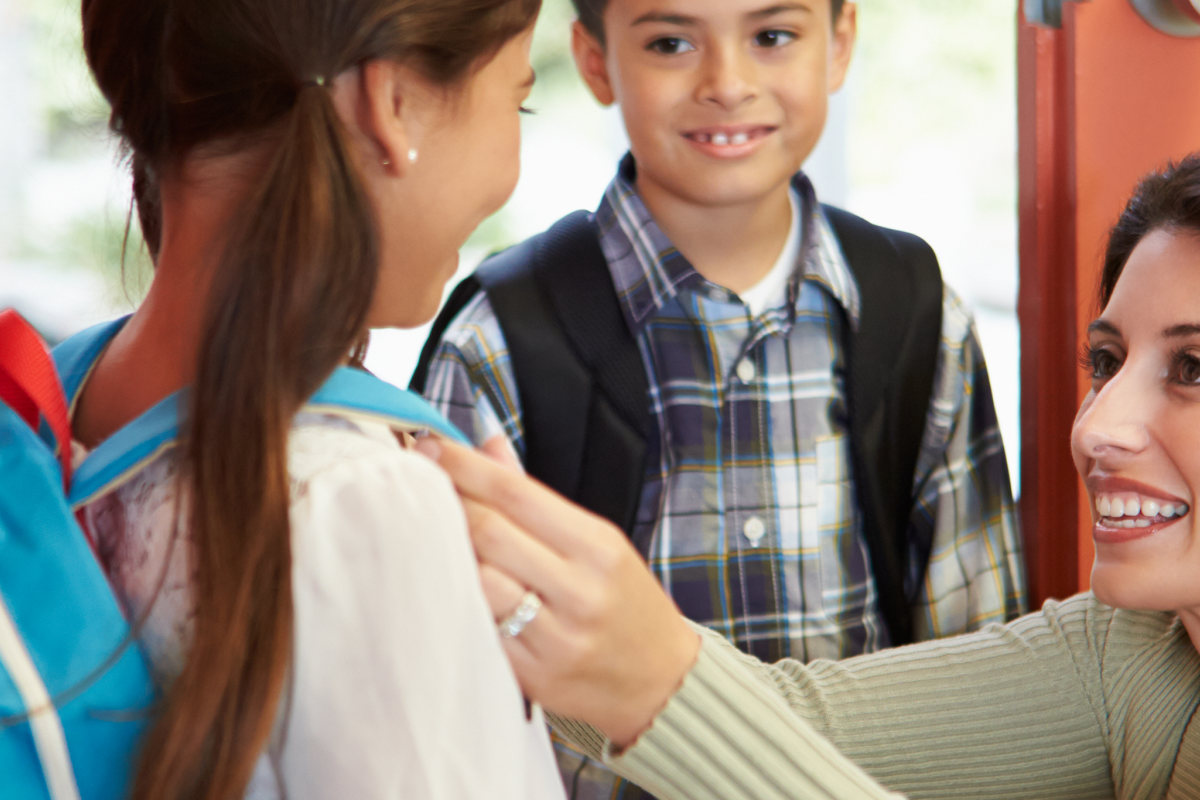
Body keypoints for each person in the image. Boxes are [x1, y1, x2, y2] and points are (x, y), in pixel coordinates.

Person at [416, 155, 1200, 800]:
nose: (1095, 426)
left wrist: (645, 679)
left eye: (1192, 368)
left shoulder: (911, 311)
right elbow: (795, 722)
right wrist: (567, 618)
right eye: (1105, 361)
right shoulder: (1127, 651)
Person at [417, 0, 1024, 793]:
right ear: (596, 62)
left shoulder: (914, 310)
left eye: (773, 37)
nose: (728, 84)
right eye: (671, 43)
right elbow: (448, 698)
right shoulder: (498, 340)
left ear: (840, 45)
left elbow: (984, 667)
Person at [67, 0, 566, 797]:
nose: (513, 159)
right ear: (391, 104)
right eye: (517, 98)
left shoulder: (51, 404)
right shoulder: (359, 501)